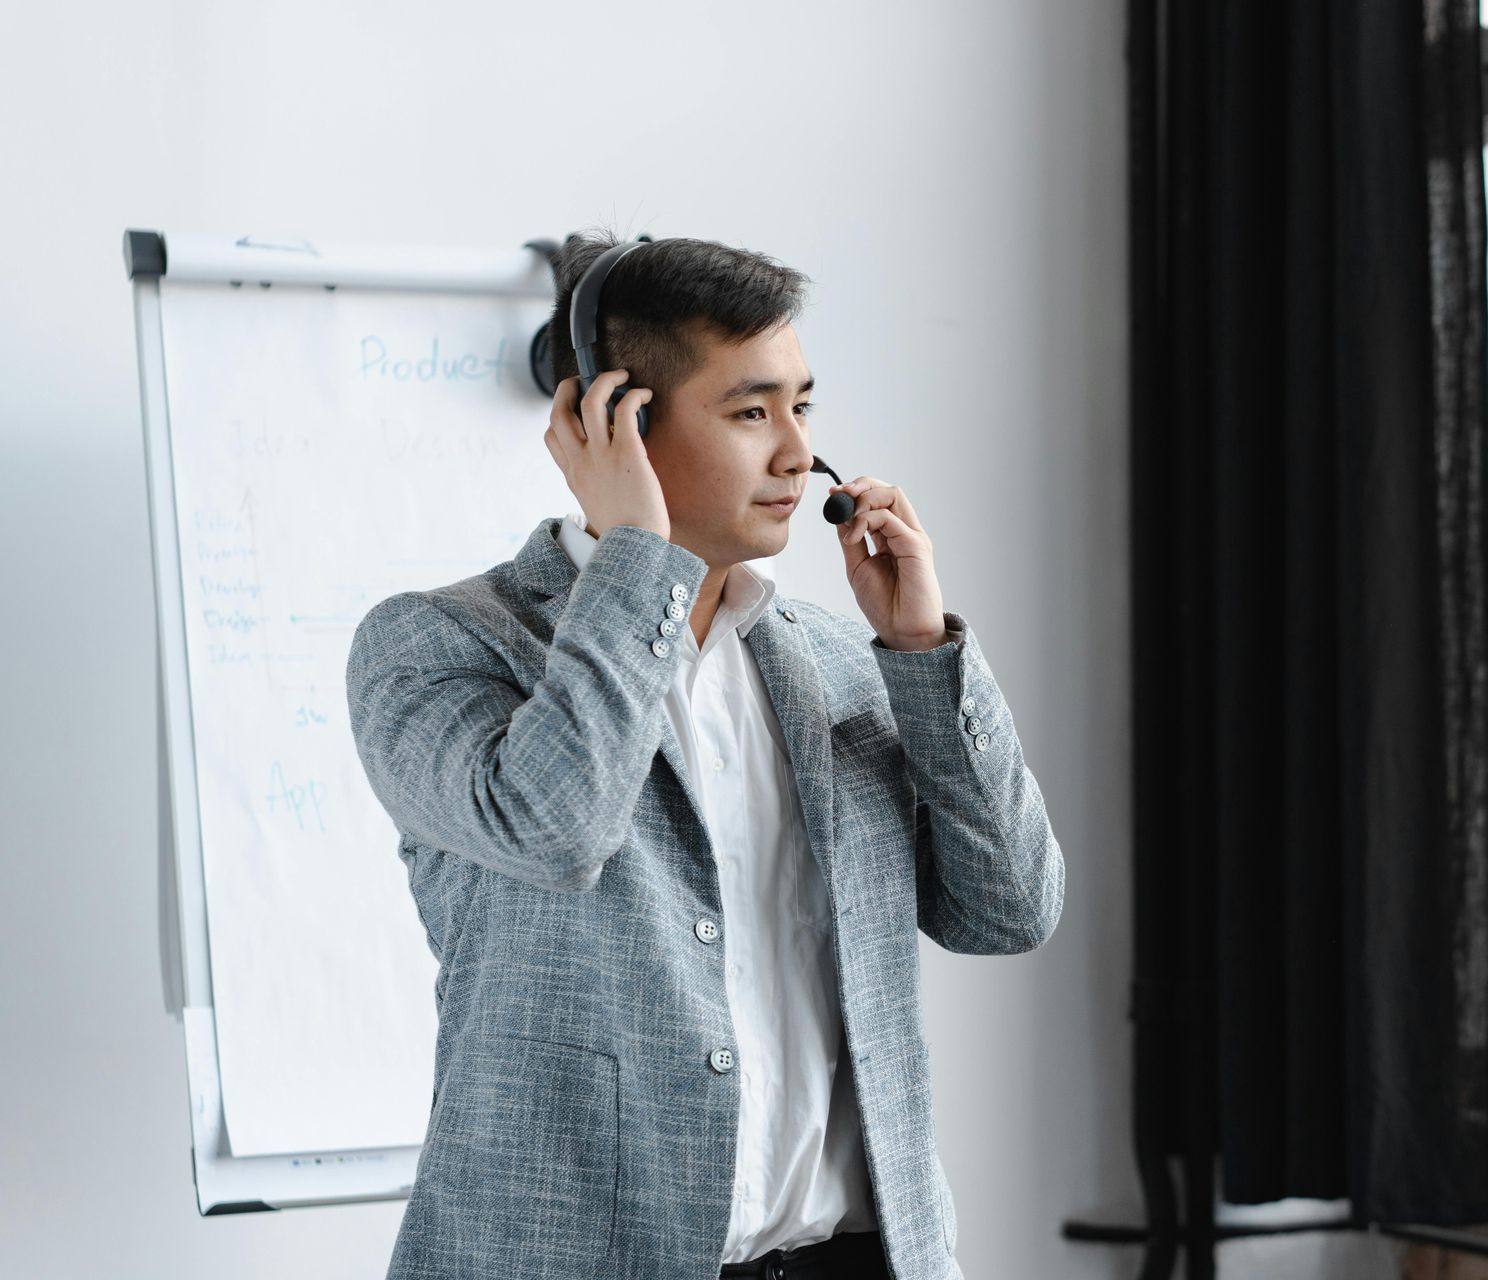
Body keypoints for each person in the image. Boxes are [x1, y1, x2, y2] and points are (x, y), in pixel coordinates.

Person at [343, 230, 1065, 1280]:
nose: (795, 453)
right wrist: (637, 554)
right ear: (620, 423)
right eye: (750, 411)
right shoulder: (440, 645)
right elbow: (556, 822)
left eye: (801, 407)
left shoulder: (832, 662)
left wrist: (922, 655)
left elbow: (1009, 908)